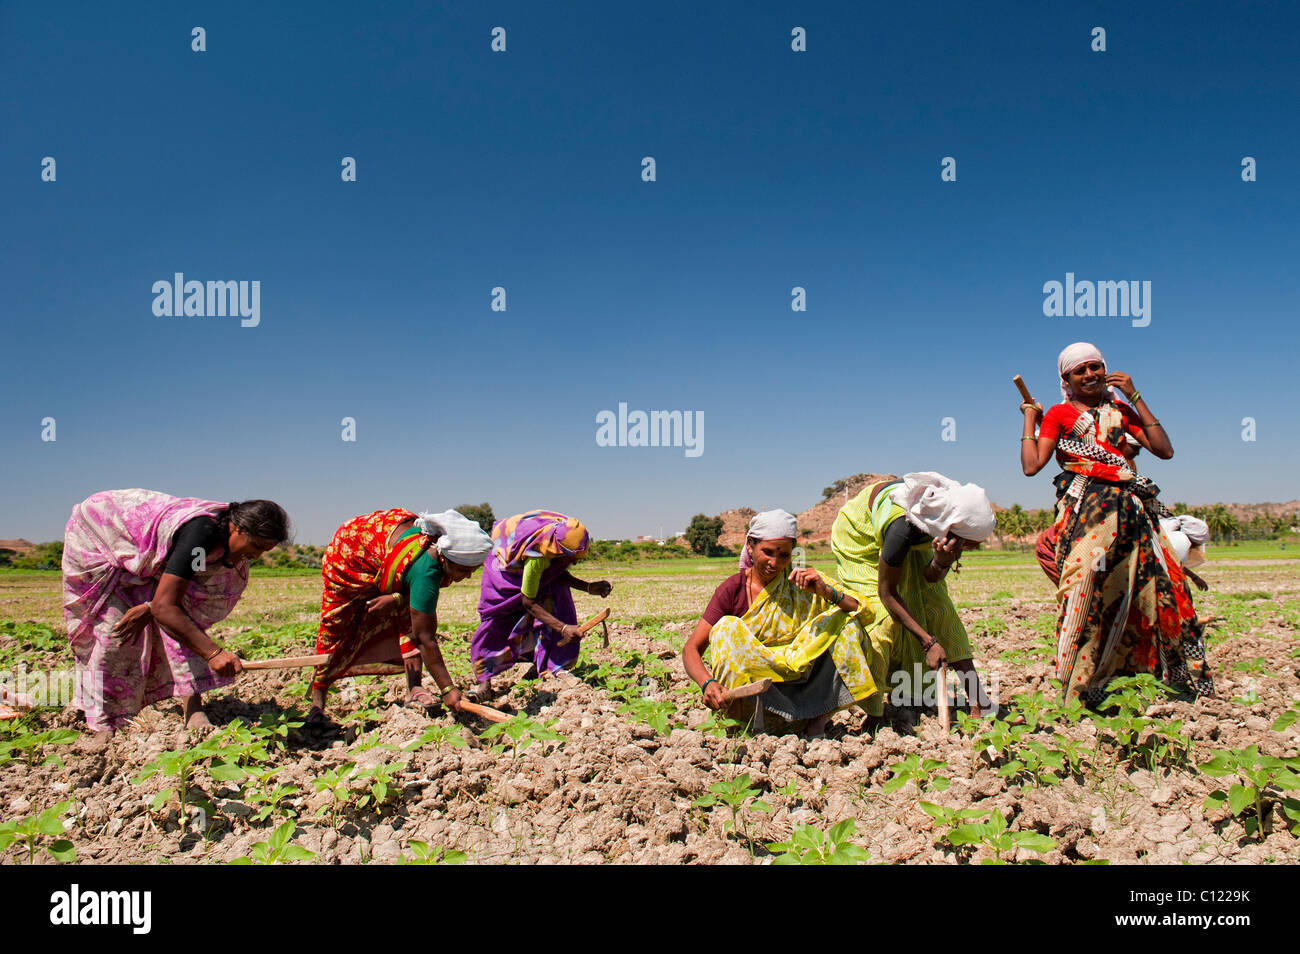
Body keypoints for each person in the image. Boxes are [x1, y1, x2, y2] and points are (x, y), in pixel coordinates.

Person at [1020, 342, 1213, 703]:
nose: (1090, 374)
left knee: (1142, 592)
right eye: (1081, 371)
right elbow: (1032, 466)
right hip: (1086, 512)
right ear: (1067, 379)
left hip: (1129, 512)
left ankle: (1142, 680)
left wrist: (1135, 395)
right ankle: (1078, 687)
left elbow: (1164, 450)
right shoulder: (1059, 415)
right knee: (1085, 586)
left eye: (1096, 367)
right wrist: (1031, 418)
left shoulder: (1121, 409)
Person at [62, 489, 289, 746]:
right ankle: (103, 721)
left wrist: (153, 606)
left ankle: (192, 705)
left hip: (152, 557)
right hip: (101, 535)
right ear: (237, 529)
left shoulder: (209, 545)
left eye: (264, 550)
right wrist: (213, 653)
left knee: (179, 619)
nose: (256, 556)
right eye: (256, 546)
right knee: (115, 630)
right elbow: (167, 606)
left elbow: (180, 588)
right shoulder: (201, 536)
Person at [682, 510, 877, 736]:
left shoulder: (802, 583)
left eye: (783, 555)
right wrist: (707, 683)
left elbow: (865, 611)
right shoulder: (733, 590)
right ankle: (733, 731)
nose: (774, 563)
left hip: (805, 688)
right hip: (755, 702)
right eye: (767, 552)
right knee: (727, 627)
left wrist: (826, 592)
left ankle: (816, 724)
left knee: (847, 623)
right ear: (750, 547)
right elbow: (691, 649)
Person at [831, 472, 998, 721]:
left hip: (915, 533)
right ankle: (875, 716)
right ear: (953, 531)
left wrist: (941, 562)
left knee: (940, 610)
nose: (974, 548)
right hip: (860, 536)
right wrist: (928, 642)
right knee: (880, 619)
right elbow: (886, 592)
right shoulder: (902, 530)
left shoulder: (945, 525)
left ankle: (980, 703)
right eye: (971, 543)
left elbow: (930, 579)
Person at [310, 509, 491, 721]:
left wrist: (397, 598)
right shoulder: (426, 571)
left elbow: (410, 586)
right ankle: (317, 700)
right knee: (336, 624)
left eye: (473, 570)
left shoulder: (434, 550)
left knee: (409, 615)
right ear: (445, 558)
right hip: (352, 551)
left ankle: (414, 688)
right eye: (463, 570)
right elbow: (425, 639)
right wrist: (448, 689)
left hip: (386, 538)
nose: (468, 576)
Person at [470, 511, 611, 689]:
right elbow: (528, 601)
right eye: (571, 559)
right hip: (504, 575)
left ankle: (547, 665)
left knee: (557, 598)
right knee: (497, 625)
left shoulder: (557, 538)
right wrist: (563, 628)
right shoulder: (537, 557)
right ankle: (484, 682)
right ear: (558, 551)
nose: (574, 564)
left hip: (531, 570)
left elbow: (554, 574)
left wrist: (589, 587)